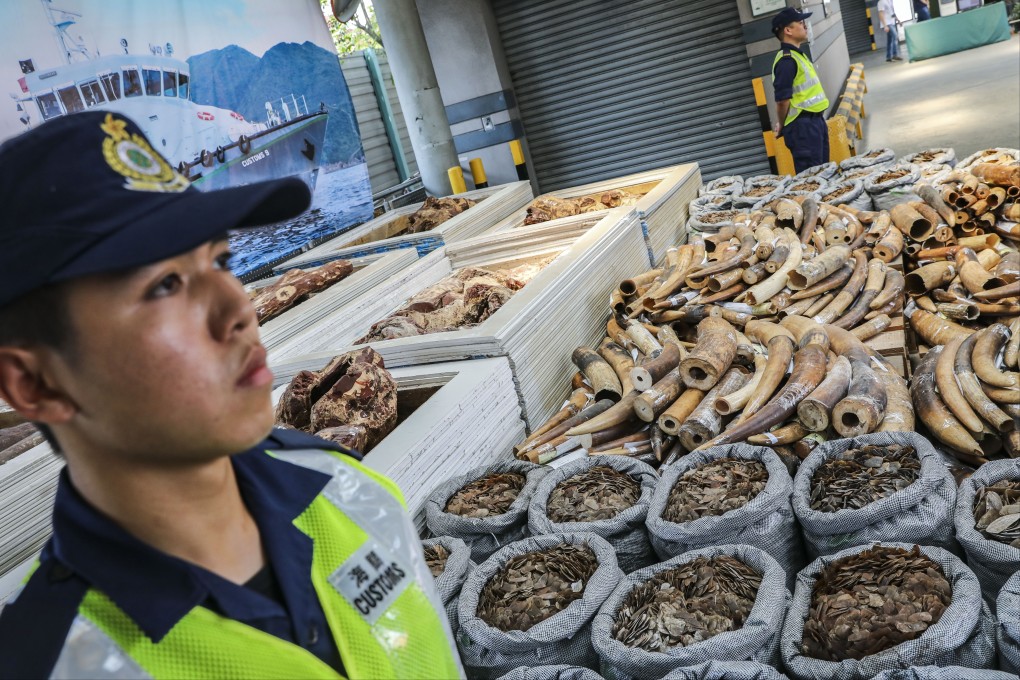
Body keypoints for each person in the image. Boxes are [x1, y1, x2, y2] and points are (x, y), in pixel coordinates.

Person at [0, 111, 464, 680]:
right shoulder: (58, 661)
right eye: (164, 286)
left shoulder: (348, 494)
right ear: (36, 384)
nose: (239, 308)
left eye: (221, 261)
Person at [771, 7, 831, 174]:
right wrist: (782, 124)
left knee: (824, 175)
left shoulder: (798, 55)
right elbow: (782, 100)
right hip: (803, 128)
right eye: (800, 22)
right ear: (788, 30)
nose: (805, 26)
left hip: (814, 123)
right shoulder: (786, 61)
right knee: (812, 179)